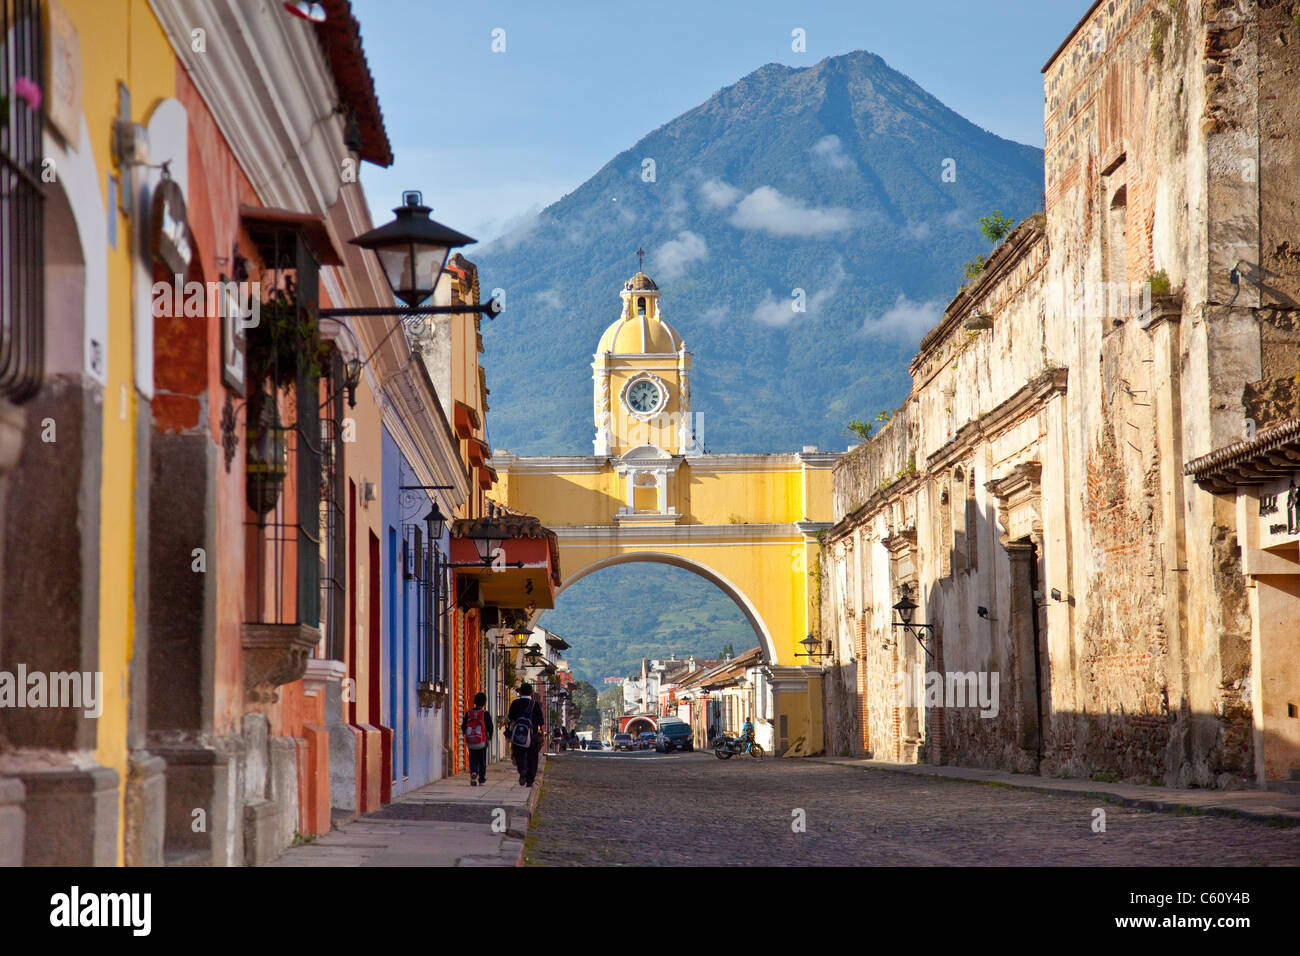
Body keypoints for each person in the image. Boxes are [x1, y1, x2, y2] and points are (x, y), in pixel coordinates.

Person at [506, 683, 545, 787]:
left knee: (519, 754)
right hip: (532, 735)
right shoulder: (535, 704)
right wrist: (543, 736)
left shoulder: (515, 703)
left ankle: (522, 769)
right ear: (531, 693)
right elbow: (541, 722)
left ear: (520, 692)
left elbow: (510, 719)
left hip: (519, 734)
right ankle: (530, 780)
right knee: (532, 757)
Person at [462, 692, 493, 786]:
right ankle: (482, 779)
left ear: (475, 702)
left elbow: (463, 726)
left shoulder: (468, 713)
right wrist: (488, 736)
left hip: (471, 741)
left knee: (472, 758)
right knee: (482, 760)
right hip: (482, 741)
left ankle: (473, 772)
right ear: (484, 703)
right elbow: (490, 727)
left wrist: (466, 735)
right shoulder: (485, 714)